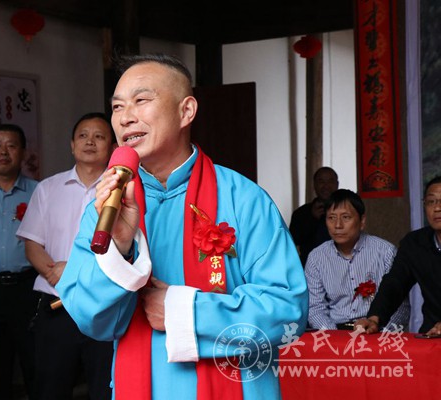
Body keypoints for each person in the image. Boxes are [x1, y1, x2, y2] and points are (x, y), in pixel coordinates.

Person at [56, 54, 308, 399]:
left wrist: (182, 311)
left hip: (236, 387)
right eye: (117, 107)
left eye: (141, 101)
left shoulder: (244, 199)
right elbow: (91, 317)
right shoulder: (106, 206)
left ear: (186, 111)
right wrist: (121, 247)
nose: (126, 117)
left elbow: (287, 310)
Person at [16, 113, 115, 400]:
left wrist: (71, 273)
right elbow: (33, 245)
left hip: (102, 305)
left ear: (110, 146)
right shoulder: (48, 188)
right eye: (83, 135)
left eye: (99, 136)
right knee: (51, 386)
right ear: (72, 145)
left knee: (104, 386)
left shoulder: (123, 191)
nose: (90, 142)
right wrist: (56, 274)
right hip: (56, 305)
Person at [304, 189, 410, 331]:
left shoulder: (385, 252)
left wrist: (383, 334)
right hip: (335, 333)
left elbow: (400, 304)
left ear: (362, 221)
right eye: (331, 218)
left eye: (346, 217)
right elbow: (314, 307)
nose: (338, 225)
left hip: (378, 332)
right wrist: (334, 338)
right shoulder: (316, 258)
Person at [0, 124, 38, 399]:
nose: (3, 151)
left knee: (34, 361)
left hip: (27, 287)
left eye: (11, 145)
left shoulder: (39, 192)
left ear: (22, 152)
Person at [355, 176, 441, 336]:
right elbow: (395, 282)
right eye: (431, 202)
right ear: (424, 206)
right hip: (432, 337)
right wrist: (374, 318)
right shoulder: (414, 243)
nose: (437, 208)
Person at [289, 167, 339, 266]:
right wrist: (312, 218)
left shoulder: (346, 211)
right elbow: (293, 241)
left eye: (330, 181)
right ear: (314, 185)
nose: (326, 186)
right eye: (321, 181)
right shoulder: (301, 213)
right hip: (310, 268)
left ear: (337, 185)